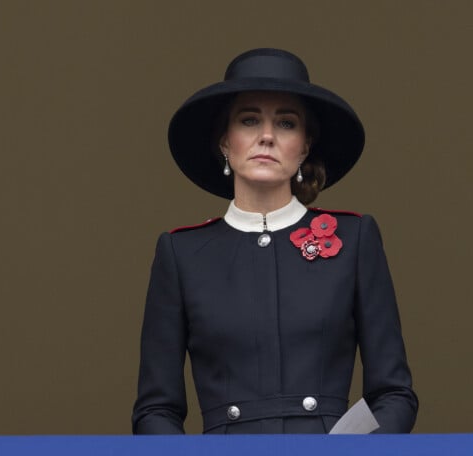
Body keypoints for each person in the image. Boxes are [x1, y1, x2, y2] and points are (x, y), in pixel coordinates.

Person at [132, 48, 418, 434]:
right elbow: (156, 410)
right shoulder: (181, 254)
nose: (266, 136)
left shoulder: (355, 239)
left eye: (286, 124)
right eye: (249, 120)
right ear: (224, 142)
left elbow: (394, 394)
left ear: (305, 146)